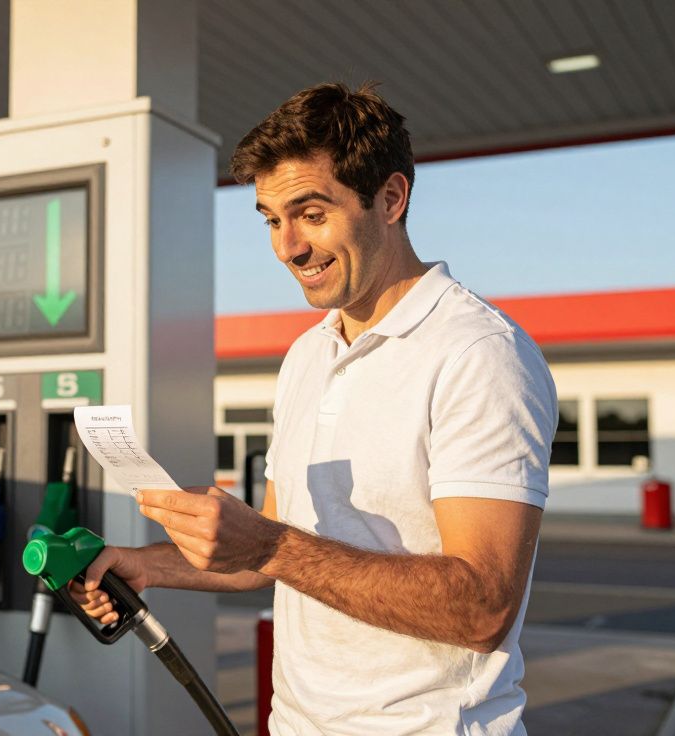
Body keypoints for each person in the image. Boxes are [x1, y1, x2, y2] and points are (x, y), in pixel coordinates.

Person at [73, 82, 557, 735]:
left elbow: (483, 608)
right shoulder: (309, 354)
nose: (288, 247)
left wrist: (270, 545)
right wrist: (144, 564)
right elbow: (274, 543)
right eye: (272, 220)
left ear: (390, 199)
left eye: (311, 213)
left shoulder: (478, 353)